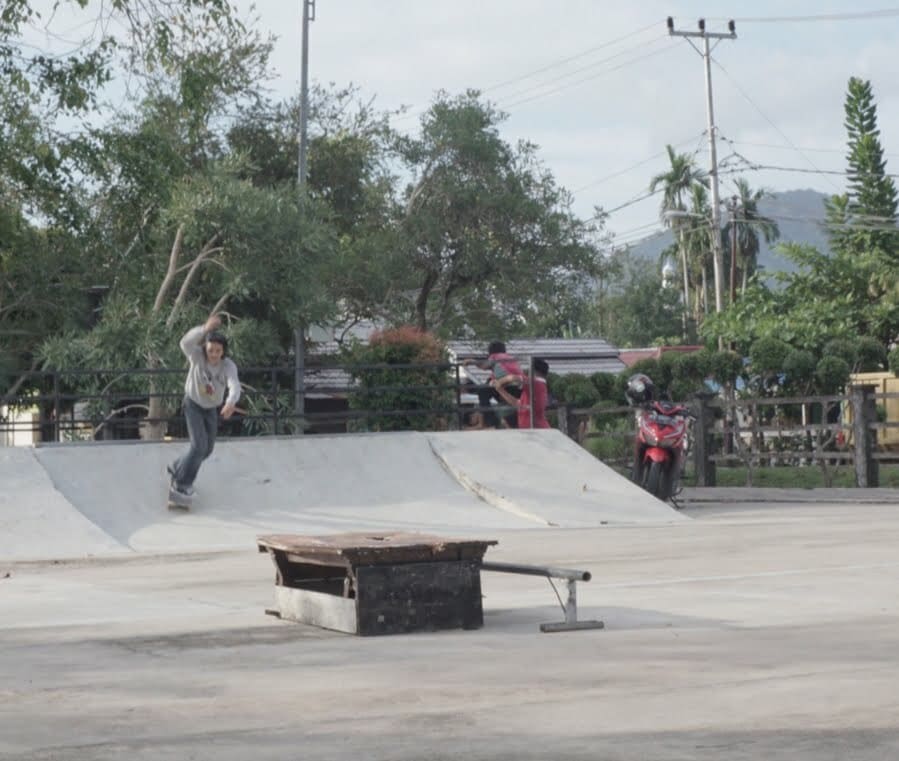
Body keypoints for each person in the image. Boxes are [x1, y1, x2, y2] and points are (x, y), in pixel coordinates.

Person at [168, 314, 241, 498]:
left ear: (223, 351)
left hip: (210, 410)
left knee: (207, 450)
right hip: (193, 404)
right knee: (199, 446)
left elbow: (234, 384)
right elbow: (184, 343)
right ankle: (182, 484)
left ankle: (177, 466)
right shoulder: (197, 356)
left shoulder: (228, 366)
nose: (213, 355)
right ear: (205, 349)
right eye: (210, 350)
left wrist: (231, 402)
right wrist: (204, 329)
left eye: (218, 351)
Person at [463, 341, 523, 428]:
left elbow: (484, 366)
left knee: (482, 391)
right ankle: (495, 420)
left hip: (507, 386)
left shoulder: (495, 356)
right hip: (518, 388)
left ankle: (489, 421)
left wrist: (472, 361)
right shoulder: (510, 358)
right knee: (489, 382)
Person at [492, 358, 551, 429]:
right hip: (534, 428)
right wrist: (500, 390)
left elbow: (513, 378)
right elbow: (517, 404)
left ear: (533, 371)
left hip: (536, 429)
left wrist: (499, 382)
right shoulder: (537, 386)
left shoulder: (535, 383)